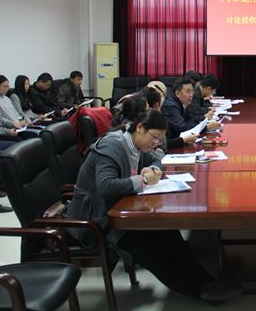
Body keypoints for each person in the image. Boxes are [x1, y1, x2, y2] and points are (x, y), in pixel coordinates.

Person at [66, 110, 241, 302]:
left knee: (167, 232)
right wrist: (142, 181)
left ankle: (207, 281)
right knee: (150, 248)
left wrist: (154, 169)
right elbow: (106, 187)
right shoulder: (112, 146)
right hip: (96, 220)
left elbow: (157, 157)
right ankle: (198, 290)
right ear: (140, 128)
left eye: (159, 139)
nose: (156, 143)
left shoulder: (136, 144)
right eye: (154, 138)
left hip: (121, 208)